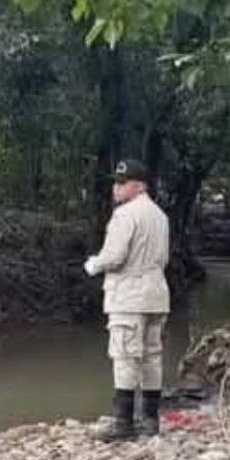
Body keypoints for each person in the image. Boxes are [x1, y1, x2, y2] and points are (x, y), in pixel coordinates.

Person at [84, 158, 170, 440]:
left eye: (123, 182)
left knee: (125, 356)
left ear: (139, 185)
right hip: (157, 294)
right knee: (151, 356)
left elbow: (115, 256)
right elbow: (164, 258)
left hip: (129, 297)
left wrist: (94, 264)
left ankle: (123, 423)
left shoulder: (125, 215)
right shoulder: (160, 215)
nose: (116, 187)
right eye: (116, 182)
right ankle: (150, 419)